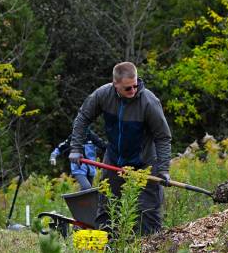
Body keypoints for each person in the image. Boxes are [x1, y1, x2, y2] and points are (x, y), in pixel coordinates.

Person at [68, 62, 172, 235]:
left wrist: (164, 169)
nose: (133, 91)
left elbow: (163, 137)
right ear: (115, 84)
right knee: (107, 207)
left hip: (144, 162)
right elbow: (82, 118)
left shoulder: (149, 102)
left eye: (135, 86)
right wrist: (76, 147)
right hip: (114, 159)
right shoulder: (103, 95)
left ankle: (150, 252)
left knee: (147, 212)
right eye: (127, 88)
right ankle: (109, 250)